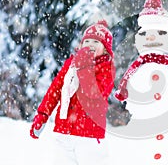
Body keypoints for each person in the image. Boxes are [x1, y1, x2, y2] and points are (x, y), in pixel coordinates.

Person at [29, 20, 115, 165]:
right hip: (63, 133)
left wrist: (84, 66)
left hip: (89, 136)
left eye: (96, 42)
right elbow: (55, 90)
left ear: (106, 49)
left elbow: (93, 93)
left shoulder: (107, 68)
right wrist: (43, 115)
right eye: (86, 41)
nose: (90, 45)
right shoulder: (71, 64)